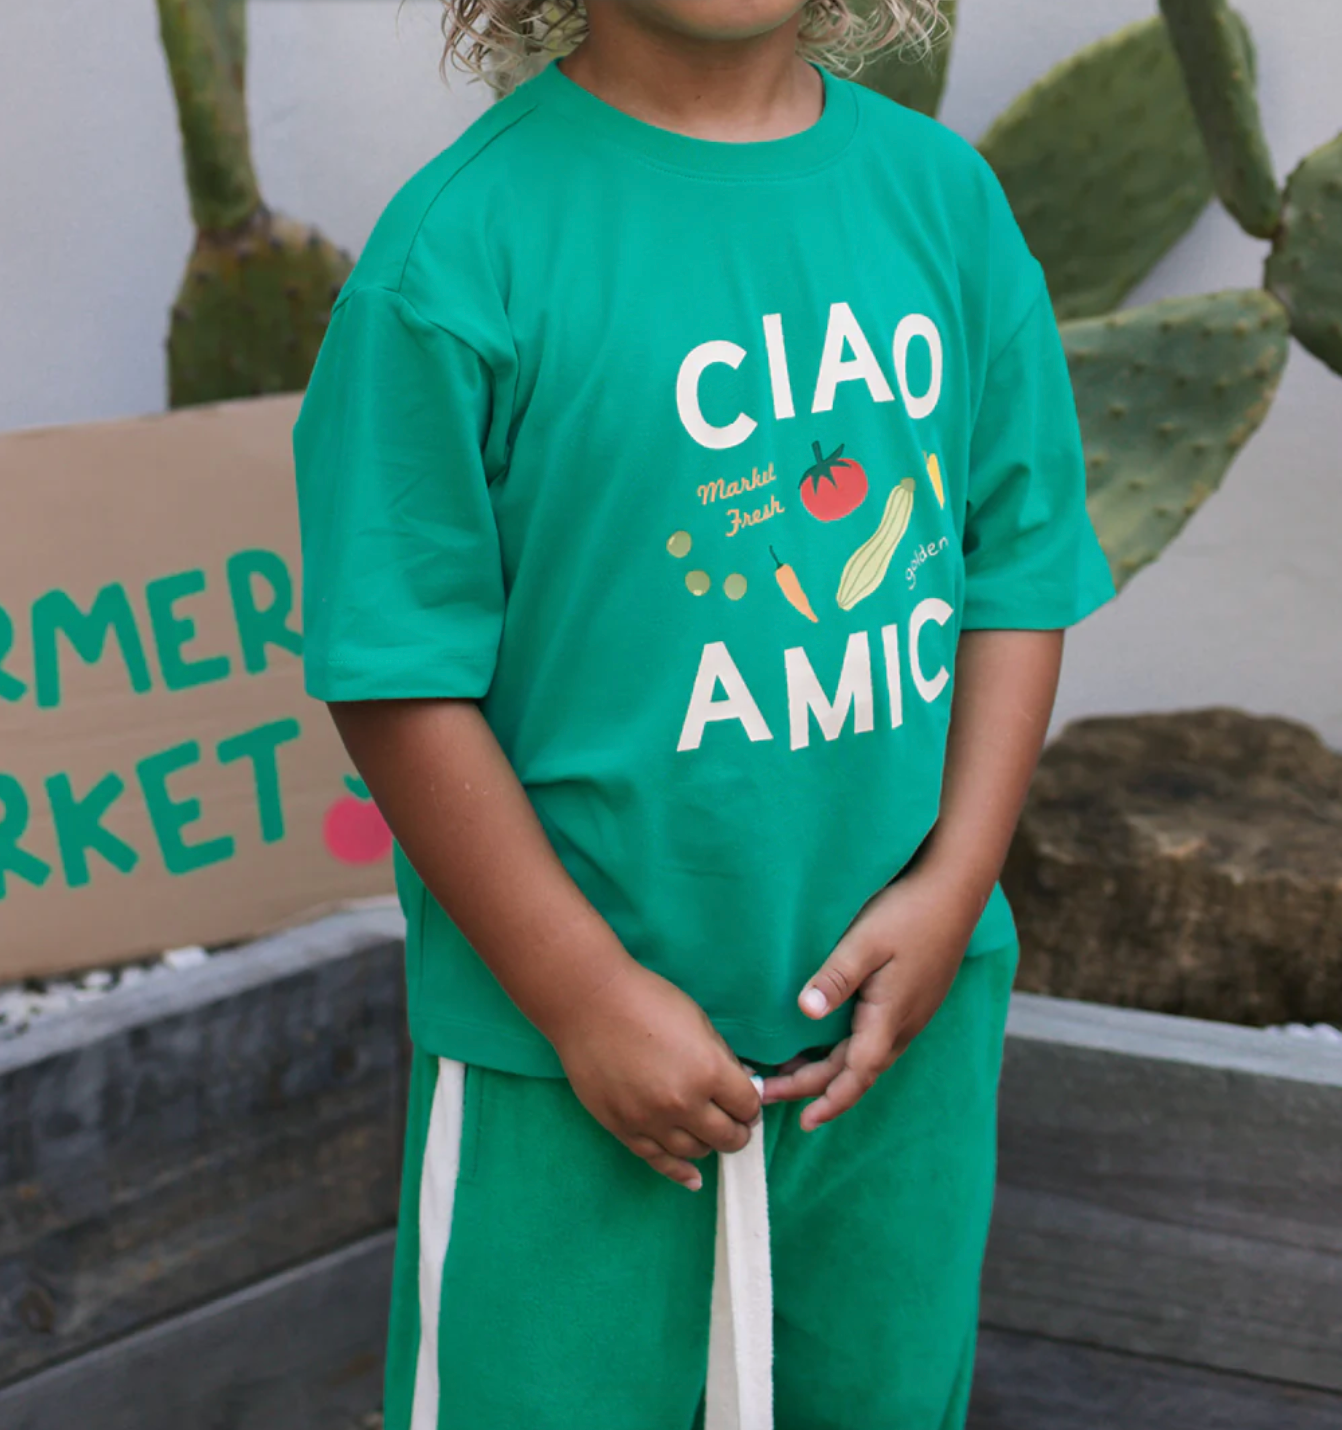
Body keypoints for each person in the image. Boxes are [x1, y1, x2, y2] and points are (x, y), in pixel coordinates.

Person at [292, 2, 1117, 1426]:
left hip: (896, 1035)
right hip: (564, 1056)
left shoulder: (944, 200)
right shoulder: (456, 252)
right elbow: (396, 672)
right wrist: (583, 995)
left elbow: (1014, 570)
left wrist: (954, 887)